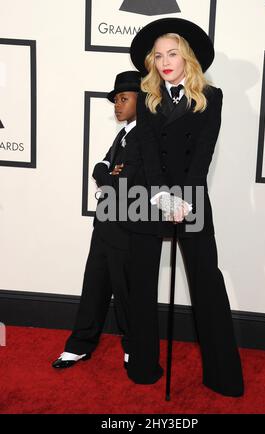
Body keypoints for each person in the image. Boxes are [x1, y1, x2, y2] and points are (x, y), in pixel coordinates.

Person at [126, 18, 244, 396]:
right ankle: (144, 367)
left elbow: (204, 153)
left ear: (187, 57)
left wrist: (185, 199)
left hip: (191, 197)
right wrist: (161, 195)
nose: (164, 61)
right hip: (150, 196)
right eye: (158, 55)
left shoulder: (213, 96)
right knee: (141, 279)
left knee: (207, 280)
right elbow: (145, 149)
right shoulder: (146, 96)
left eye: (172, 53)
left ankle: (223, 376)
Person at [52, 71, 142, 370]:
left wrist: (106, 173)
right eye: (115, 100)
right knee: (94, 285)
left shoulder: (145, 137)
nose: (117, 105)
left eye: (124, 99)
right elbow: (102, 169)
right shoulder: (124, 134)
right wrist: (106, 172)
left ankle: (134, 348)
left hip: (127, 226)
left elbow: (122, 182)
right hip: (105, 222)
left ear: (142, 101)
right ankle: (80, 345)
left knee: (126, 290)